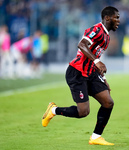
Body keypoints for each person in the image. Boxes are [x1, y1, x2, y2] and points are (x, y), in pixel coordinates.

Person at [42, 6, 120, 146]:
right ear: (107, 18)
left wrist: (104, 79)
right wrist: (97, 61)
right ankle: (53, 110)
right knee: (83, 112)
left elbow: (95, 56)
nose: (118, 21)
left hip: (91, 73)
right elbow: (82, 44)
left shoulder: (107, 36)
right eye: (116, 17)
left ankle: (96, 137)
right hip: (77, 72)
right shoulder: (96, 30)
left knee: (108, 102)